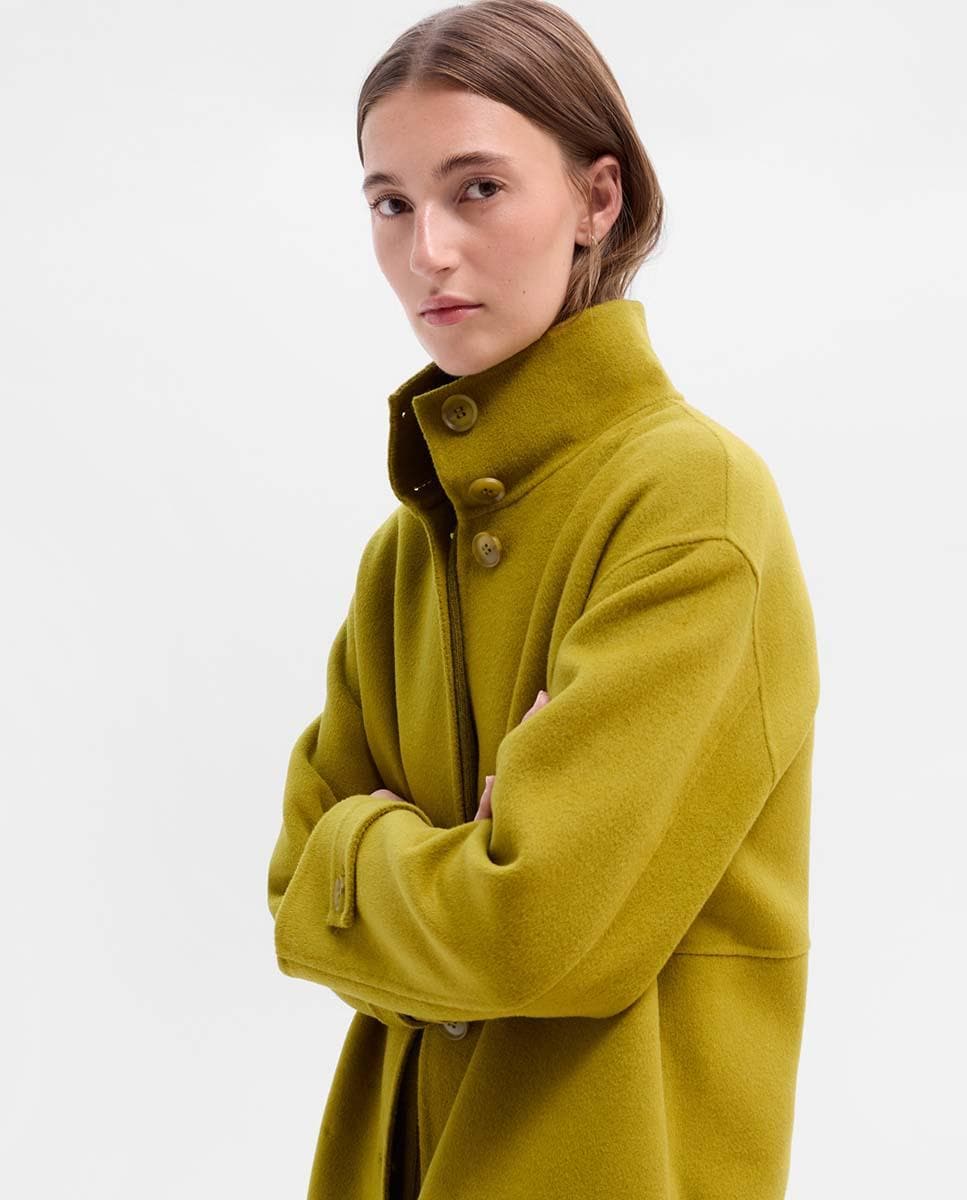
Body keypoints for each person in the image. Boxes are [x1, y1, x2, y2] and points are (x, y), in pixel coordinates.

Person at [266, 2, 820, 1198]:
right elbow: (290, 889)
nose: (428, 250)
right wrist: (422, 861)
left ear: (595, 200)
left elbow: (530, 933)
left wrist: (364, 854)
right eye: (390, 203)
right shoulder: (403, 555)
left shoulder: (689, 504)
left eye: (476, 189)